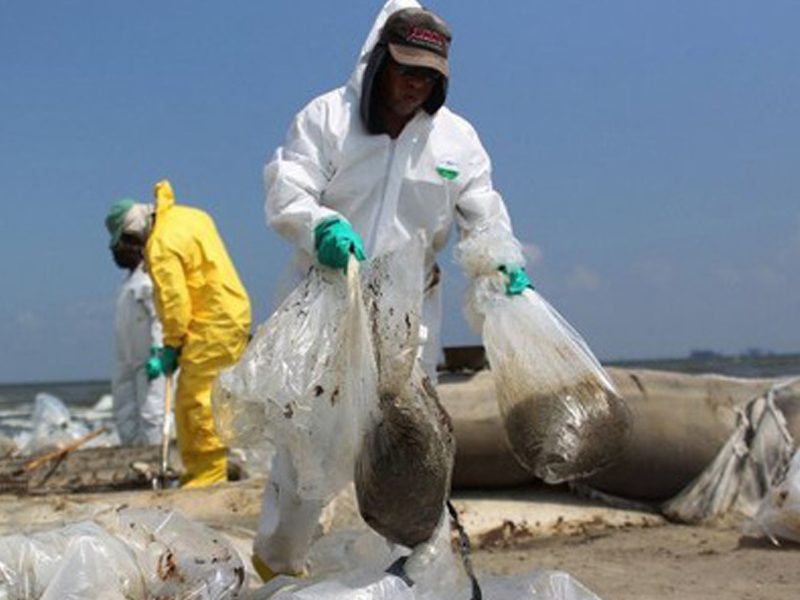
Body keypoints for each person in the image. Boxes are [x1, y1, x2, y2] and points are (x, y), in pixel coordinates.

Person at [255, 0, 531, 580]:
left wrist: (500, 262)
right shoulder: (325, 119)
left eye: (428, 76)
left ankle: (410, 577)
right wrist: (320, 226)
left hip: (407, 322)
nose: (414, 84)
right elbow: (288, 191)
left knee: (413, 452)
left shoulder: (457, 141)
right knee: (309, 453)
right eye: (405, 69)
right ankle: (279, 568)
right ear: (379, 59)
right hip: (326, 306)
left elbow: (483, 216)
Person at [105, 180, 252, 488]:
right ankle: (201, 470)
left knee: (198, 403)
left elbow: (175, 303)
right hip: (227, 315)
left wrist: (170, 346)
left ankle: (208, 478)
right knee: (198, 400)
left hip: (210, 323)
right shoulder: (191, 216)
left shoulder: (160, 245)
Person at [106, 215, 166, 446]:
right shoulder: (127, 283)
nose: (115, 254)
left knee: (153, 413)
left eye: (118, 248)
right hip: (127, 362)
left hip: (150, 362)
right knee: (125, 412)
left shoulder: (149, 279)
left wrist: (158, 354)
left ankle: (158, 461)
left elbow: (159, 319)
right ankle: (134, 460)